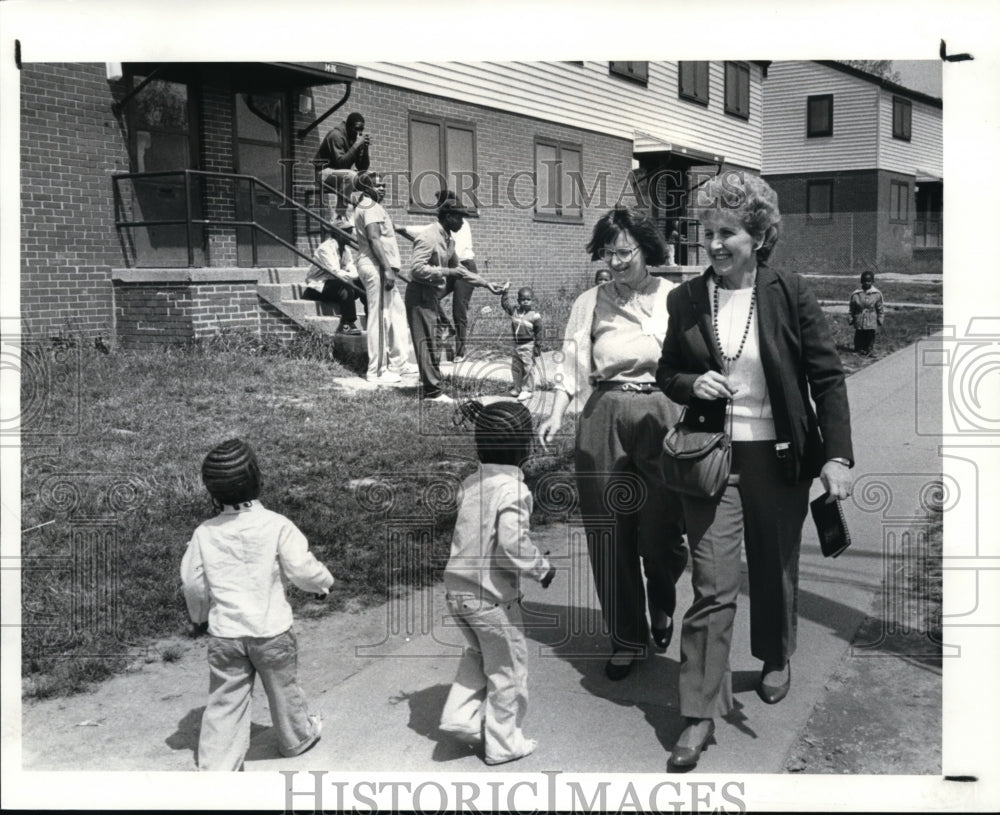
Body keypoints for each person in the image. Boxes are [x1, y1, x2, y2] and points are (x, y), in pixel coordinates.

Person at [655, 172, 854, 769]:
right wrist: (693, 382)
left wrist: (837, 457)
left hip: (781, 458)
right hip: (712, 460)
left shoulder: (789, 291)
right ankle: (697, 712)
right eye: (706, 232)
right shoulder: (685, 298)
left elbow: (827, 377)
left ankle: (775, 653)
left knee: (774, 566)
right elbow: (667, 371)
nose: (714, 244)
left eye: (728, 233)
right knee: (713, 585)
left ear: (759, 235)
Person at [537, 206, 688, 682]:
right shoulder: (590, 301)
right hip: (604, 415)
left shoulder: (677, 297)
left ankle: (661, 600)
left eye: (625, 251)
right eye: (608, 252)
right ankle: (626, 637)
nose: (617, 261)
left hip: (664, 414)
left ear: (647, 249)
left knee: (663, 533)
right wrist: (558, 411)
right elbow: (571, 360)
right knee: (609, 533)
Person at [180, 438, 334, 771]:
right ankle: (297, 738)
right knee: (284, 688)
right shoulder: (277, 524)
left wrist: (200, 616)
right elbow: (301, 567)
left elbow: (193, 582)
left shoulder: (205, 533)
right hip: (272, 633)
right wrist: (323, 584)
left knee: (225, 698)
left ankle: (218, 764)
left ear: (212, 494)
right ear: (259, 480)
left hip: (226, 636)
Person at [440, 400, 556, 764]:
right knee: (508, 669)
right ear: (525, 448)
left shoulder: (471, 483)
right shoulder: (514, 491)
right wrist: (541, 568)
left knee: (478, 655)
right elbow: (511, 544)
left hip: (456, 592)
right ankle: (504, 744)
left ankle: (459, 718)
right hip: (491, 600)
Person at [406, 190, 507, 403]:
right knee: (427, 342)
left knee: (433, 341)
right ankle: (432, 392)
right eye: (460, 218)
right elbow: (416, 269)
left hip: (431, 294)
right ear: (449, 217)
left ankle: (432, 387)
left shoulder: (448, 240)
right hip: (419, 294)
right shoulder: (429, 236)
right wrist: (447, 273)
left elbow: (460, 270)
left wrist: (487, 284)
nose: (462, 223)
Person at [353, 171, 416, 384]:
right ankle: (376, 371)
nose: (382, 188)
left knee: (397, 312)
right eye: (376, 185)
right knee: (380, 317)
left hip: (381, 267)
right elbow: (373, 238)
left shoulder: (373, 206)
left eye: (383, 185)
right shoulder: (369, 206)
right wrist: (387, 269)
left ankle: (399, 362)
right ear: (365, 187)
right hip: (377, 266)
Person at [301, 231, 365, 335]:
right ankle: (347, 324)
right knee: (345, 284)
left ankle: (372, 316)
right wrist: (353, 275)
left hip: (334, 286)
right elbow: (335, 272)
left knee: (363, 283)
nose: (351, 234)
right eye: (347, 231)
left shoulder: (345, 249)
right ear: (338, 234)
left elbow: (351, 267)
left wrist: (356, 276)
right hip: (318, 287)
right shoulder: (325, 249)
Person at [315, 112, 370, 216]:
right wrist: (357, 144)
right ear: (348, 127)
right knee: (350, 176)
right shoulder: (335, 135)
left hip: (340, 173)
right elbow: (341, 163)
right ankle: (339, 216)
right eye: (356, 129)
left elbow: (362, 167)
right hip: (323, 172)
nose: (359, 132)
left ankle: (361, 218)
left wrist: (365, 148)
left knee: (369, 178)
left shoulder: (355, 138)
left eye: (362, 129)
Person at [500, 286, 543, 401]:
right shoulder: (514, 311)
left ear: (532, 300)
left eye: (528, 299)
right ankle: (517, 388)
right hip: (516, 345)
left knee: (528, 368)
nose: (525, 301)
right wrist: (505, 292)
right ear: (518, 300)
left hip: (528, 345)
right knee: (516, 367)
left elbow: (539, 333)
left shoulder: (535, 315)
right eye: (522, 299)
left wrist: (537, 347)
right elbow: (505, 305)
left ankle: (527, 390)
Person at [849, 270, 885, 356]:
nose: (867, 283)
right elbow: (852, 308)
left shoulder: (876, 294)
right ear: (861, 281)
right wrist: (851, 317)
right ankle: (858, 349)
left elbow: (880, 307)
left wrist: (880, 318)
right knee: (859, 334)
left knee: (870, 334)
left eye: (869, 281)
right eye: (864, 281)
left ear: (872, 281)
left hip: (871, 317)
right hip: (859, 317)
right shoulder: (856, 294)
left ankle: (869, 349)